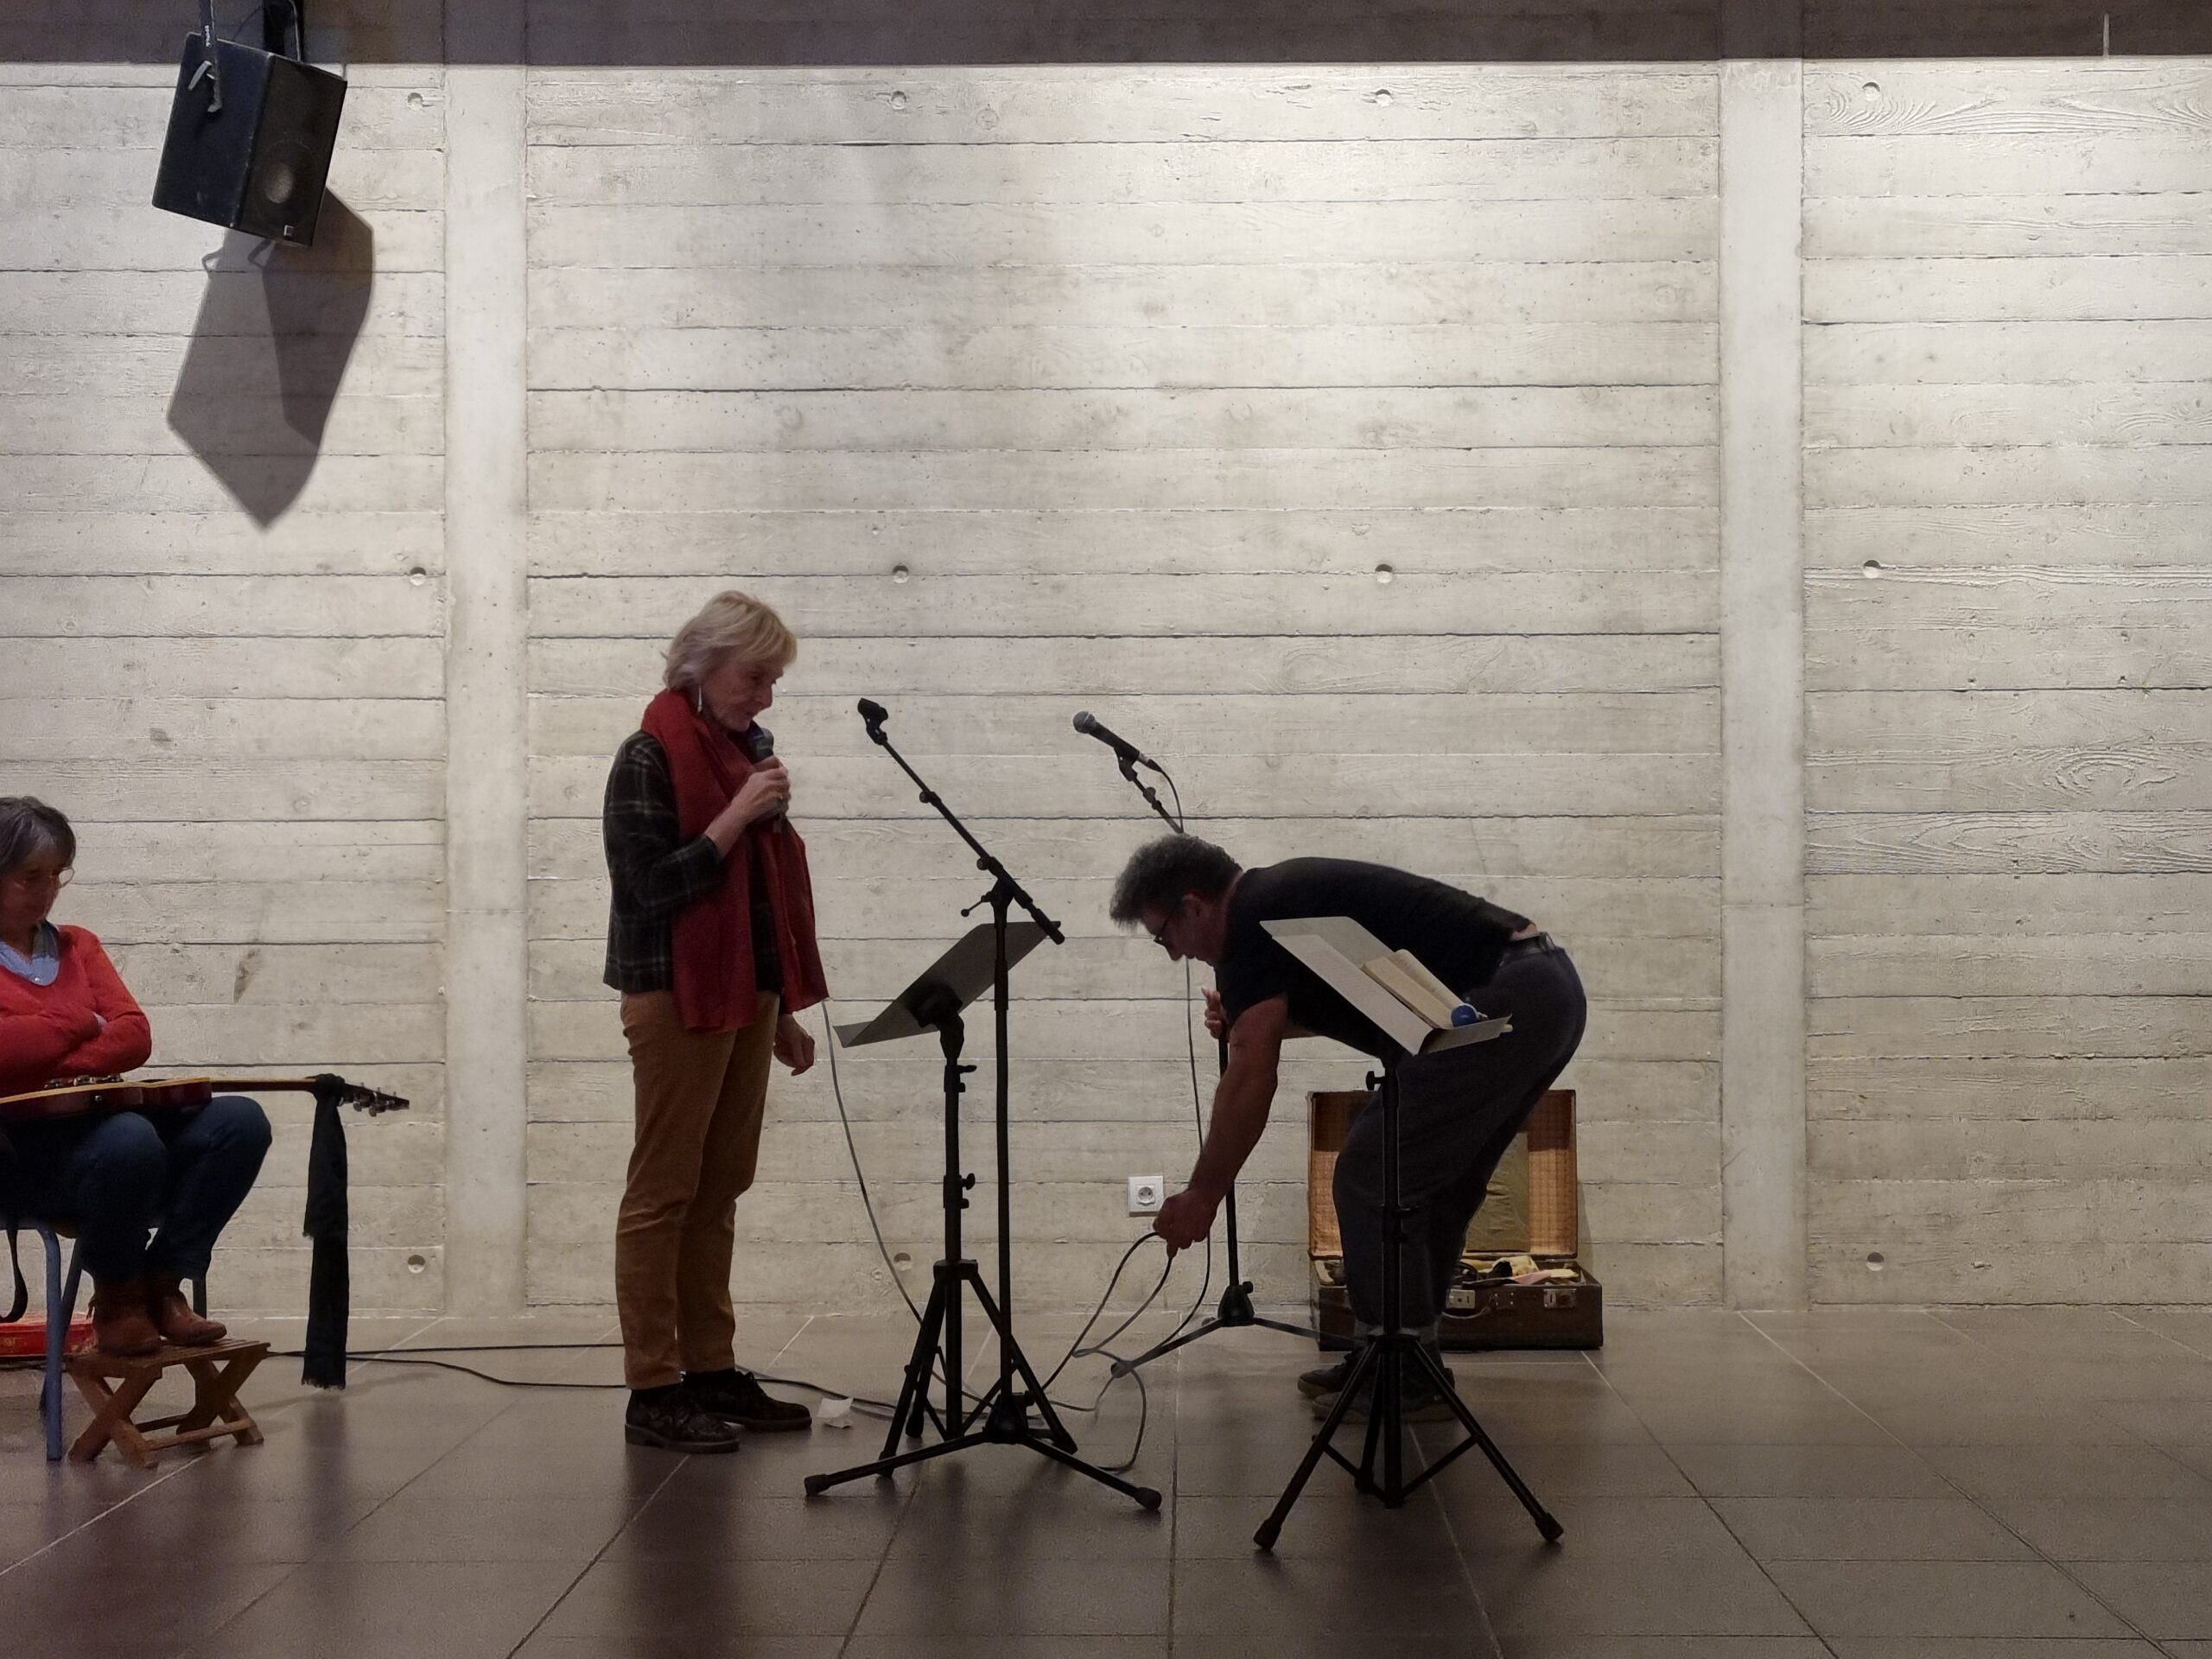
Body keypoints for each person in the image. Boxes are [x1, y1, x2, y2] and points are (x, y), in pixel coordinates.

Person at [1109, 834, 1586, 1419]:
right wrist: (1253, 1020)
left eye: (1164, 936)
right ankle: (1398, 1355)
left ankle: (1403, 1368)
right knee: (1436, 1184)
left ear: (1195, 906)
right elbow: (1309, 1015)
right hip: (1546, 989)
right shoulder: (1272, 902)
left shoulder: (1251, 919)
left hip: (1506, 997)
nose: (1174, 955)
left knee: (1370, 1172)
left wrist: (1206, 1191)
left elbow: (1251, 1072)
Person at [602, 591, 830, 1452]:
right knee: (664, 1191)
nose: (766, 696)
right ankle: (652, 1387)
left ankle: (710, 1366)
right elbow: (650, 888)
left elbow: (760, 896)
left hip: (744, 998)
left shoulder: (741, 755)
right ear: (701, 665)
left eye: (773, 679)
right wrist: (737, 819)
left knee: (721, 1186)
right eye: (756, 676)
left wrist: (780, 1014)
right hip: (673, 997)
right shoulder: (647, 757)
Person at [0, 798, 270, 1357]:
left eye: (56, 875)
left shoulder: (79, 944)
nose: (47, 889)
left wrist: (46, 1048)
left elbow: (133, 1035)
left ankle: (163, 1283)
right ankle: (118, 1295)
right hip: (23, 1154)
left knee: (239, 1122)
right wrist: (79, 1020)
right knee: (130, 1137)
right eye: (31, 876)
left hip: (107, 1139)